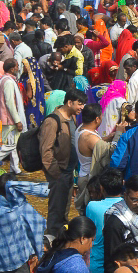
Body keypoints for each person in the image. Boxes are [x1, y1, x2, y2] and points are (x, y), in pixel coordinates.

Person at [39, 88, 86, 232]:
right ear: (69, 102)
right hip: (59, 172)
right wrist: (56, 174)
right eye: (79, 104)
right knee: (56, 209)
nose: (82, 108)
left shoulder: (71, 117)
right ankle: (53, 238)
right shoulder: (52, 121)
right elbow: (46, 151)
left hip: (67, 171)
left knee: (64, 208)